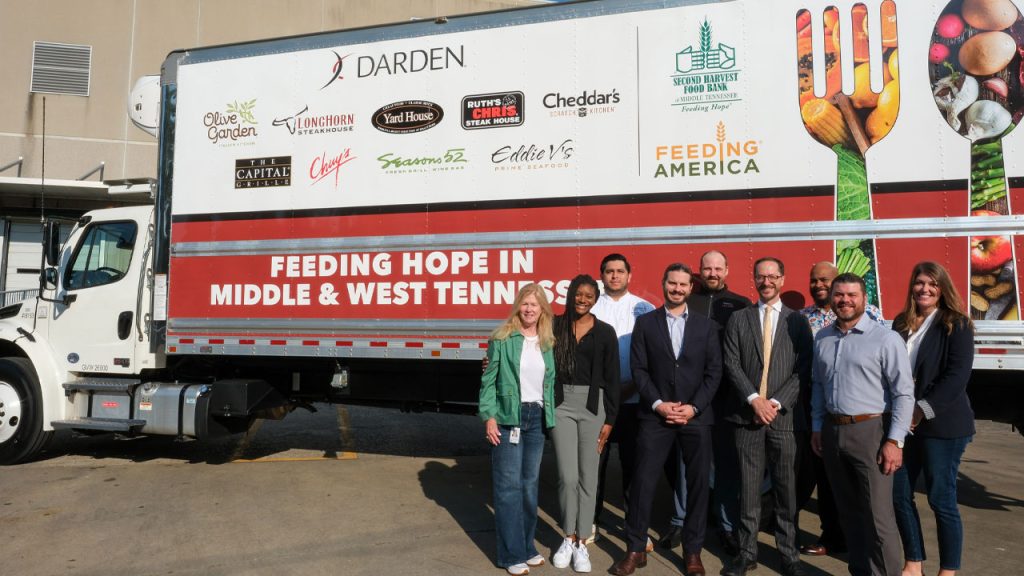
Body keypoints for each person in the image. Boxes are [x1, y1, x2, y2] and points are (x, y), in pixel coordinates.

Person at [612, 263, 722, 576]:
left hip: (695, 418)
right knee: (642, 482)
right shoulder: (645, 324)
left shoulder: (706, 326)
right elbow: (639, 369)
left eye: (683, 284)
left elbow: (714, 372)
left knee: (698, 486)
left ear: (690, 288)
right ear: (663, 284)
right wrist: (659, 405)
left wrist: (694, 407)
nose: (677, 289)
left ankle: (692, 551)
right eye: (672, 283)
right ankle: (635, 549)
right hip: (655, 417)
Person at [811, 273, 915, 576]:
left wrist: (894, 441)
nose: (844, 300)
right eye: (839, 295)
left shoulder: (886, 339)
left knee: (878, 517)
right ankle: (859, 570)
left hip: (871, 432)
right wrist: (817, 426)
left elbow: (903, 393)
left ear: (864, 299)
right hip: (832, 430)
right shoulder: (823, 337)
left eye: (851, 295)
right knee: (849, 512)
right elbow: (818, 385)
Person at [721, 257, 813, 576]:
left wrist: (773, 403)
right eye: (761, 276)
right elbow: (731, 363)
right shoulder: (739, 319)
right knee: (748, 490)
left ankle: (789, 555)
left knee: (786, 490)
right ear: (754, 279)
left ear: (782, 279)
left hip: (783, 419)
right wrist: (753, 400)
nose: (767, 282)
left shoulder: (797, 322)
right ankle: (747, 553)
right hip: (747, 418)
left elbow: (803, 369)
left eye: (773, 276)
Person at [891, 262, 975, 576]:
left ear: (942, 288)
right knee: (899, 495)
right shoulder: (901, 322)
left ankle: (948, 571)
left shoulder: (956, 323)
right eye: (919, 283)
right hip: (903, 424)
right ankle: (913, 563)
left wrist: (920, 409)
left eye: (932, 284)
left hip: (942, 425)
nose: (925, 289)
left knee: (941, 499)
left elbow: (957, 376)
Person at [797, 261, 882, 557]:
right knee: (827, 477)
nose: (819, 285)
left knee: (863, 482)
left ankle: (868, 541)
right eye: (814, 280)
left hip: (860, 411)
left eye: (825, 280)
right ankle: (832, 536)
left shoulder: (870, 315)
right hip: (819, 405)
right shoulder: (802, 318)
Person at [480, 283, 557, 576]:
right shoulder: (502, 338)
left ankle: (526, 547)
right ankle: (511, 554)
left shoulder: (548, 342)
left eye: (534, 304)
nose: (529, 309)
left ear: (542, 309)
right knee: (508, 487)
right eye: (525, 303)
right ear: (517, 307)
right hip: (508, 417)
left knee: (528, 486)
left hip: (537, 418)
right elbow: (488, 381)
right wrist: (489, 417)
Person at [550, 275, 620, 573]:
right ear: (570, 295)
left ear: (595, 299)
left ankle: (582, 542)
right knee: (567, 476)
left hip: (594, 406)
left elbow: (613, 378)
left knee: (589, 477)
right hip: (561, 405)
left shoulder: (605, 332)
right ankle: (567, 537)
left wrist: (610, 419)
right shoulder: (554, 325)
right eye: (578, 294)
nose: (583, 300)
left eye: (589, 296)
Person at [687, 249, 752, 555]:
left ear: (726, 271)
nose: (712, 273)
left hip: (727, 396)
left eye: (717, 268)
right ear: (699, 271)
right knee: (688, 463)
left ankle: (727, 527)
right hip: (692, 395)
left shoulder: (741, 304)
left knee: (726, 465)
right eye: (707, 269)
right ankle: (681, 521)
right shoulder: (687, 301)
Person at [592, 254, 656, 550]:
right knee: (595, 464)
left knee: (634, 467)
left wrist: (632, 387)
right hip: (600, 401)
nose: (615, 276)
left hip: (634, 400)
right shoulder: (591, 309)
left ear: (630, 275)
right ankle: (589, 521)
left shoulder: (644, 309)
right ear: (602, 276)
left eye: (620, 271)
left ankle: (635, 527)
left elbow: (654, 356)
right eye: (609, 271)